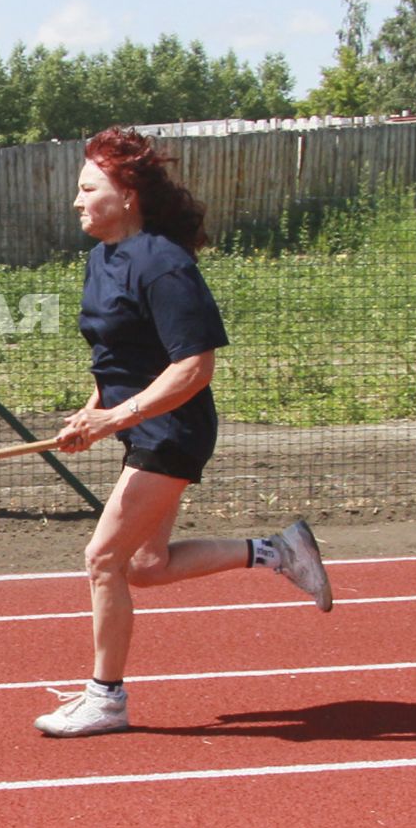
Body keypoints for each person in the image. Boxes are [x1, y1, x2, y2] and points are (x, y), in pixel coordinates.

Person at [36, 128, 331, 737]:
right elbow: (122, 357)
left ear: (128, 195)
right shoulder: (101, 258)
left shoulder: (164, 263)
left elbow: (194, 366)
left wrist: (116, 417)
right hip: (142, 422)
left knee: (103, 559)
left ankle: (106, 698)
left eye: (88, 188)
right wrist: (91, 414)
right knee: (143, 564)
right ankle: (277, 551)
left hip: (173, 426)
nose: (76, 201)